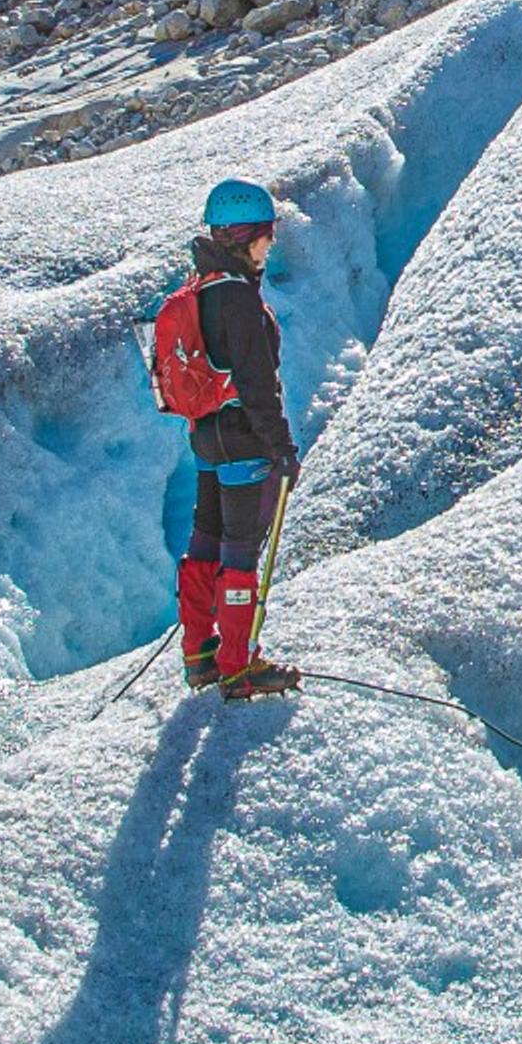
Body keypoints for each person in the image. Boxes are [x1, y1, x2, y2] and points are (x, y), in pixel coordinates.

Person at [152, 178, 302, 701]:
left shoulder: (203, 289)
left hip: (207, 438)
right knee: (240, 553)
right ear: (245, 236)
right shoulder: (237, 298)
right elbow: (258, 383)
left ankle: (200, 654)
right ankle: (238, 666)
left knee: (205, 540)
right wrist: (281, 448)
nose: (270, 244)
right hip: (243, 441)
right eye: (265, 234)